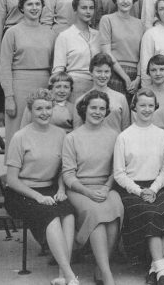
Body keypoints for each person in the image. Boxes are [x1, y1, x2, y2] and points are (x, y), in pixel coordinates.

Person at [4, 89, 79, 285]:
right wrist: (37, 197)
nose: (44, 112)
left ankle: (63, 274)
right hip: (21, 192)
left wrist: (61, 190)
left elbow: (63, 169)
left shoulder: (60, 134)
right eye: (39, 109)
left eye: (48, 108)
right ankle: (71, 276)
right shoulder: (20, 137)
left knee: (68, 214)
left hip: (50, 189)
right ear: (30, 111)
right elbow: (11, 179)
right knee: (51, 216)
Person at [113, 88, 164, 285]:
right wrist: (140, 191)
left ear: (155, 107)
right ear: (134, 107)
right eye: (142, 105)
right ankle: (162, 270)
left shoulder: (162, 135)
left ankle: (155, 269)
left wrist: (154, 189)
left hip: (156, 187)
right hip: (133, 189)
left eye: (151, 105)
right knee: (151, 214)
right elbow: (119, 173)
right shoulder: (124, 136)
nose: (147, 109)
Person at [62, 90, 123, 285]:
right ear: (84, 109)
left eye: (102, 108)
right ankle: (107, 275)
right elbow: (68, 175)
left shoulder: (115, 136)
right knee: (96, 214)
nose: (97, 112)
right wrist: (87, 192)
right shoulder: (72, 137)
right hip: (80, 188)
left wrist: (106, 188)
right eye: (93, 108)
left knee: (115, 211)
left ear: (106, 112)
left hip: (106, 186)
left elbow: (118, 168)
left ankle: (100, 267)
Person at [0, 0, 56, 146]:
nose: (34, 7)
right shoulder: (12, 32)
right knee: (17, 132)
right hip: (19, 87)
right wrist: (9, 97)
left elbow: (54, 65)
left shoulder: (50, 33)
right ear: (22, 8)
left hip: (44, 85)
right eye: (30, 4)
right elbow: (4, 67)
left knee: (42, 130)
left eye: (38, 4)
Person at [52, 0, 101, 102]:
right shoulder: (65, 36)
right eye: (84, 8)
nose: (88, 11)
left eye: (91, 8)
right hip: (74, 87)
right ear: (75, 10)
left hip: (97, 85)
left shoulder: (98, 35)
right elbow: (58, 70)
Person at [99, 0, 144, 97]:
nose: (125, 1)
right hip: (115, 73)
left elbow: (142, 55)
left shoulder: (140, 24)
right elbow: (107, 53)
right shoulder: (107, 19)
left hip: (136, 77)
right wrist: (125, 78)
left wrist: (138, 78)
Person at [72, 52, 131, 133]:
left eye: (106, 72)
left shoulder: (121, 98)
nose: (103, 76)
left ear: (111, 74)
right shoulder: (81, 100)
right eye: (99, 71)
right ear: (91, 73)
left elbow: (126, 128)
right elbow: (77, 131)